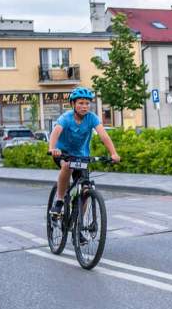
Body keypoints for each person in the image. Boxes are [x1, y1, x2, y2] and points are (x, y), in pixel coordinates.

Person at [48, 87, 120, 216]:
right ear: (73, 104)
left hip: (81, 155)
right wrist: (52, 149)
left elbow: (104, 135)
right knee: (67, 166)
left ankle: (78, 224)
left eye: (87, 103)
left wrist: (113, 153)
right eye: (81, 103)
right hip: (62, 153)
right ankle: (59, 201)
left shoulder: (92, 118)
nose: (84, 106)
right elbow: (56, 132)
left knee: (85, 189)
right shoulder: (66, 117)